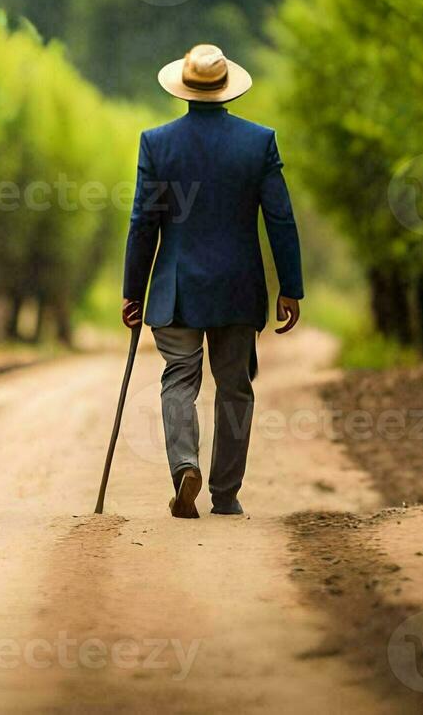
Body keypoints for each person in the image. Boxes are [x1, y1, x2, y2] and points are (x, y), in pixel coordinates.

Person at [121, 45, 304, 519]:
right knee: (234, 385)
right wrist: (290, 286)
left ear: (183, 89)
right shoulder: (259, 142)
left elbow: (144, 222)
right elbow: (280, 218)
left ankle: (185, 466)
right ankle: (225, 493)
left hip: (177, 285)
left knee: (179, 378)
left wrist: (133, 291)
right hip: (238, 286)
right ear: (227, 90)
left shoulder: (156, 143)